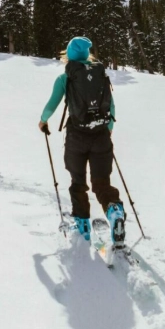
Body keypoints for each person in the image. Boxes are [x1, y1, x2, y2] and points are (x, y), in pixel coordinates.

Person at [38, 36, 126, 247]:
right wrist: (108, 130)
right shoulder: (100, 73)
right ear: (88, 54)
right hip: (101, 136)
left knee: (78, 181)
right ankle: (114, 211)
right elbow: (111, 107)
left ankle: (82, 224)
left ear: (68, 54)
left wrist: (43, 122)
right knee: (101, 182)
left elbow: (52, 104)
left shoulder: (65, 78)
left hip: (76, 137)